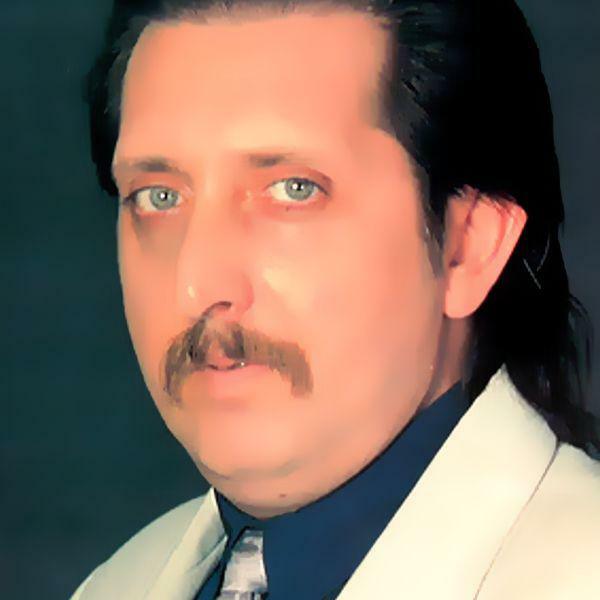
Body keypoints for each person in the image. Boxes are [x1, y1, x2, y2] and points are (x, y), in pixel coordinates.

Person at [73, 0, 600, 598]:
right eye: (158, 197)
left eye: (293, 189)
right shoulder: (117, 584)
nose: (196, 285)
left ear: (467, 246)